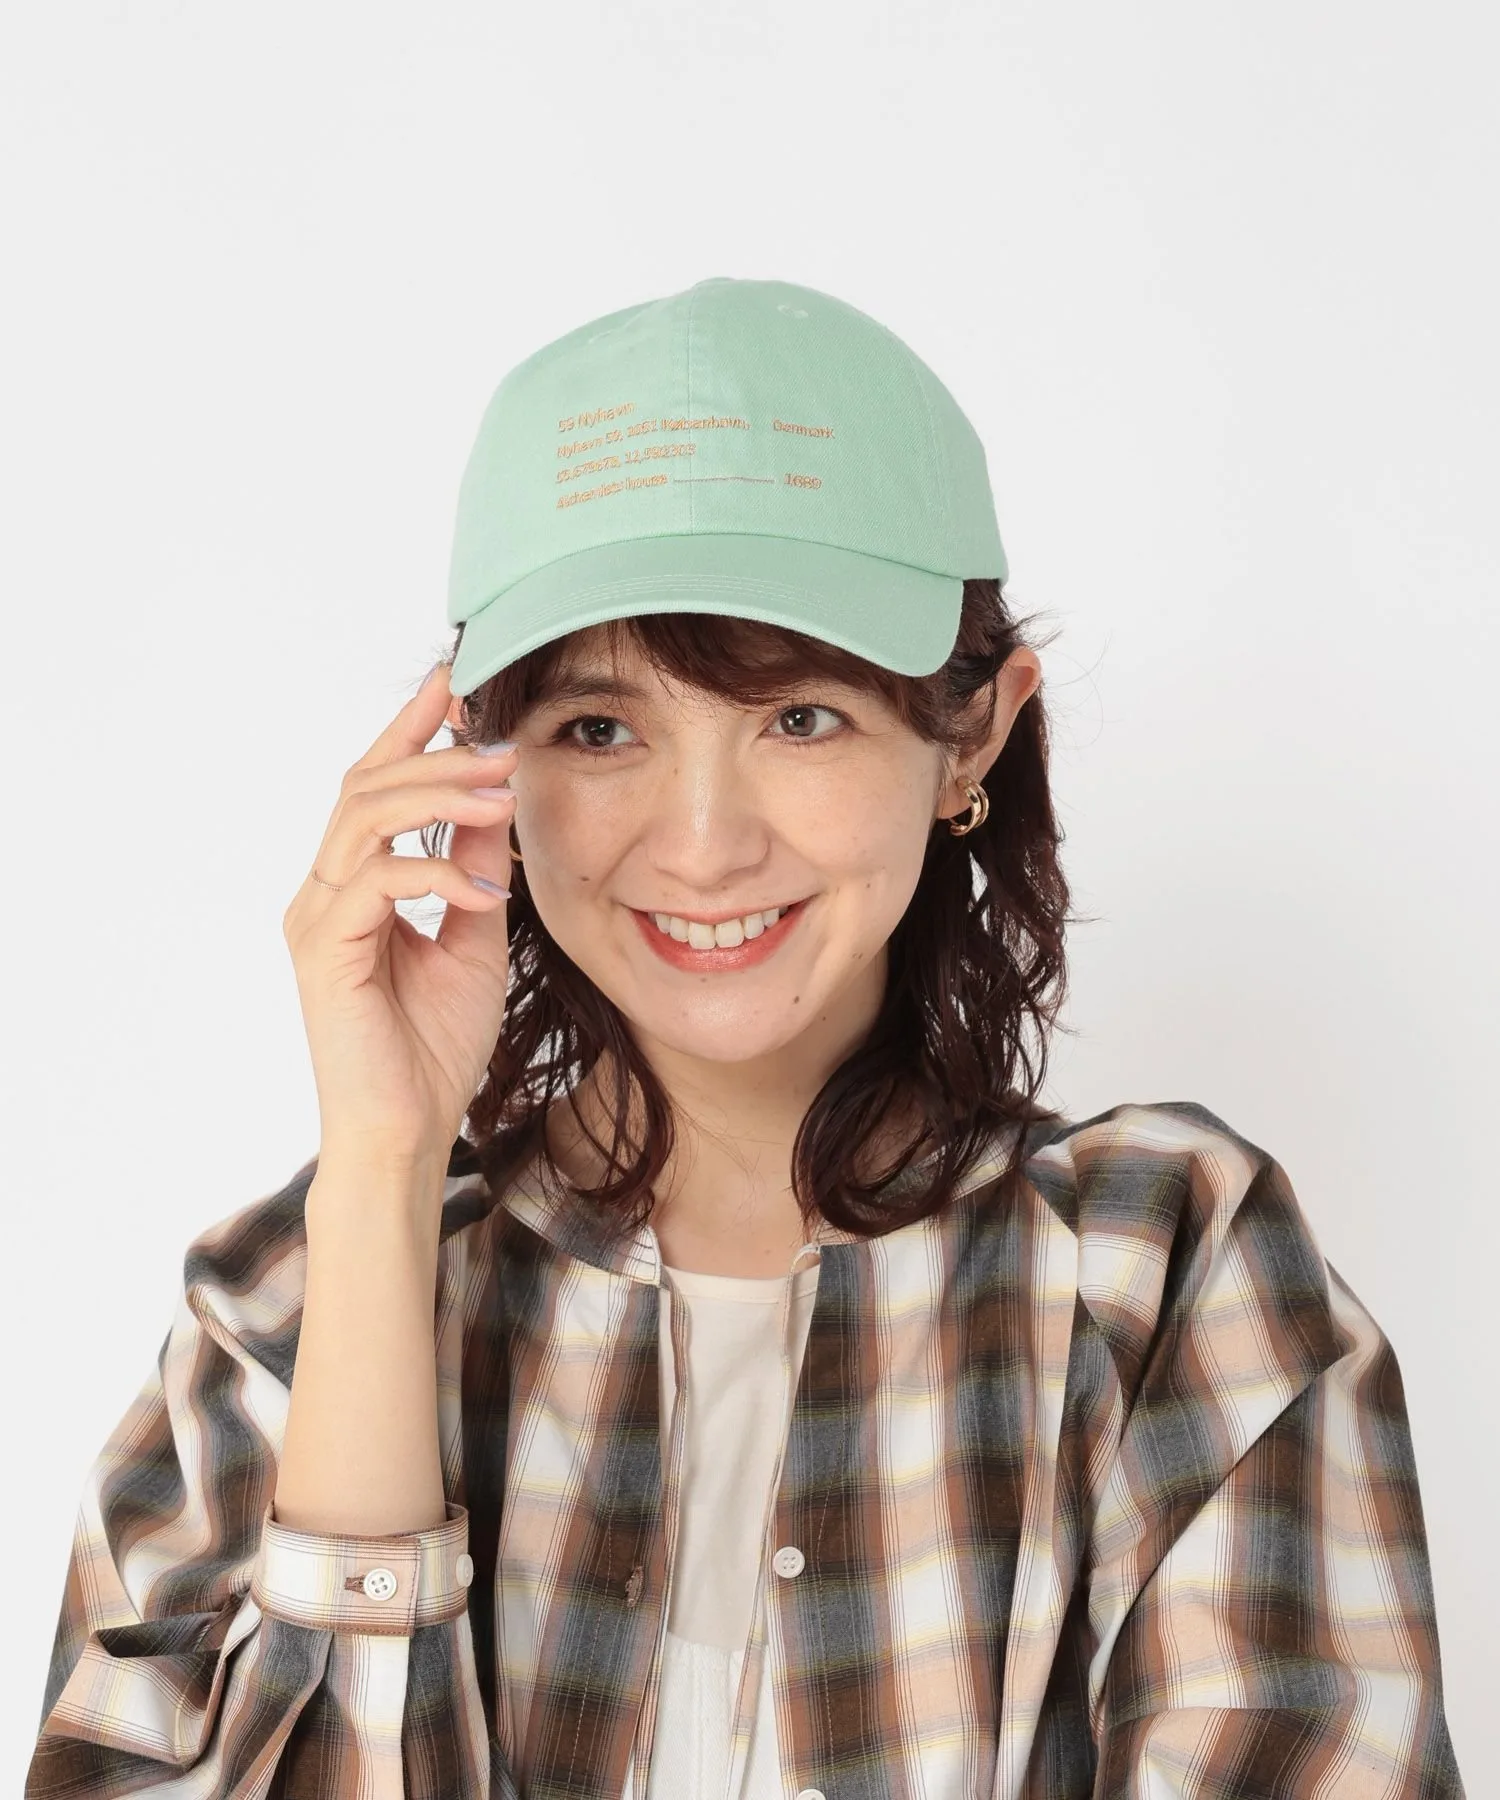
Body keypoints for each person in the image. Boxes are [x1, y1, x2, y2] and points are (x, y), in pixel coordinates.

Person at [26, 277, 1464, 1800]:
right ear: (483, 764)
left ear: (970, 733)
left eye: (799, 718)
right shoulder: (282, 1318)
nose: (703, 844)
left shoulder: (1167, 1277)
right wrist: (379, 1179)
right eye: (599, 729)